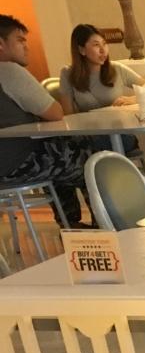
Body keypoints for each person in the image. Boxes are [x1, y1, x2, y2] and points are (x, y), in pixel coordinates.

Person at [0, 13, 90, 224]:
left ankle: (70, 227)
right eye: (20, 40)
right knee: (91, 158)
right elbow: (55, 112)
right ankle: (107, 226)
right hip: (16, 163)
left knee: (62, 155)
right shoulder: (9, 71)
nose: (26, 47)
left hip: (6, 166)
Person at [59, 24, 145, 114]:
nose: (103, 50)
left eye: (104, 44)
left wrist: (132, 99)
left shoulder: (117, 69)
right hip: (89, 128)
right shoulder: (67, 73)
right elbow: (69, 115)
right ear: (81, 50)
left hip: (118, 126)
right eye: (96, 45)